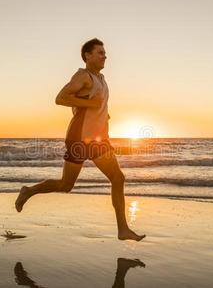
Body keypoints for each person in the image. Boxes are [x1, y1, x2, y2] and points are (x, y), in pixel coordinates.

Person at [15, 38, 145, 241]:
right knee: (67, 185)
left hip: (98, 139)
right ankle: (28, 191)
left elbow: (96, 105)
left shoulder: (101, 79)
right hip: (80, 139)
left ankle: (123, 229)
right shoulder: (82, 76)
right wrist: (91, 105)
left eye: (105, 52)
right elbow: (60, 98)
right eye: (100, 52)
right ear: (87, 55)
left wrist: (104, 116)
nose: (105, 56)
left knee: (116, 178)